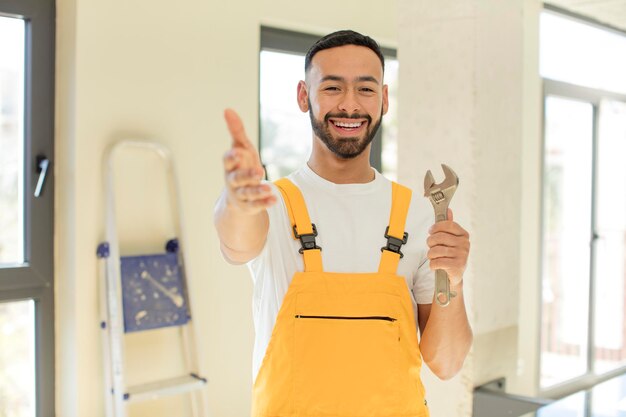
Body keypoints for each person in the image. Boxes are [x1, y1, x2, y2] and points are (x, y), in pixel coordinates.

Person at [214, 30, 472, 417]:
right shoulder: (272, 203)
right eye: (332, 88)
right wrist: (238, 200)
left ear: (384, 99)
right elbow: (236, 243)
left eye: (365, 90)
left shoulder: (417, 216)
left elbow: (446, 364)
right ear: (304, 96)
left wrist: (453, 279)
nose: (349, 106)